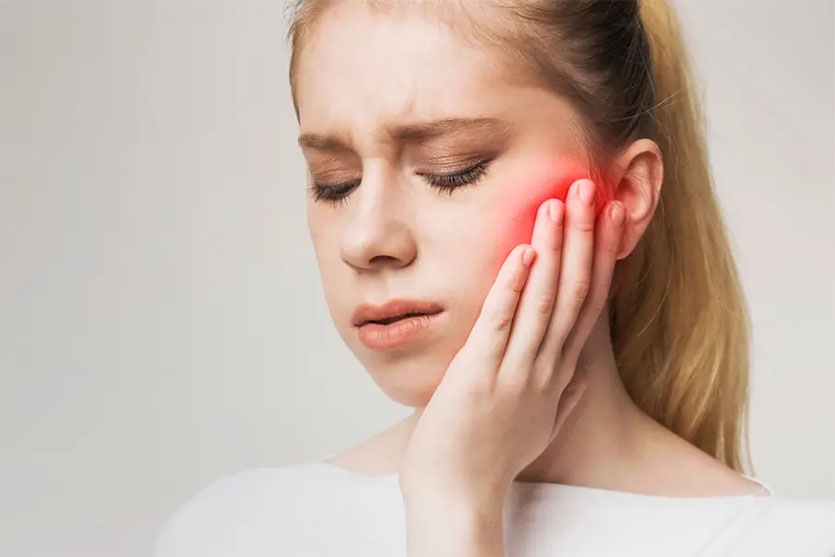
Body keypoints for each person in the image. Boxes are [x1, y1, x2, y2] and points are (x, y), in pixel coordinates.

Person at [154, 0, 835, 555]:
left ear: (623, 196)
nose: (365, 240)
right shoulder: (230, 534)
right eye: (335, 183)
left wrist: (458, 509)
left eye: (451, 167)